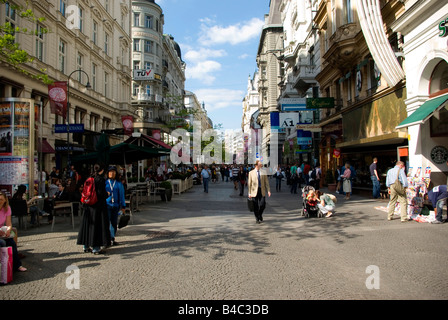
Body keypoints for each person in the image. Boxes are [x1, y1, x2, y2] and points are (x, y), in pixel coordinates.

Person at [77, 164, 111, 255]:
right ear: (102, 170)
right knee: (97, 226)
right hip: (97, 206)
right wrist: (107, 194)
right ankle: (96, 248)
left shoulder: (89, 178)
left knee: (87, 226)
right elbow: (101, 194)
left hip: (88, 206)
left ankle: (86, 246)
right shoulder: (100, 179)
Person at [0, 191, 27, 272]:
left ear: (5, 200)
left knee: (11, 242)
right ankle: (3, 267)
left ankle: (17, 265)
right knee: (2, 243)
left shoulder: (7, 208)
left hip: (1, 232)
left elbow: (9, 223)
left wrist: (8, 229)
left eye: (1, 199)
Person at [105, 166, 126, 245]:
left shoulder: (118, 183)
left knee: (114, 222)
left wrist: (123, 206)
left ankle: (112, 238)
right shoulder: (105, 183)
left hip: (116, 205)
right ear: (108, 173)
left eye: (113, 172)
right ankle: (107, 238)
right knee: (107, 222)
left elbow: (122, 195)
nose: (112, 173)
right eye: (110, 172)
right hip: (107, 205)